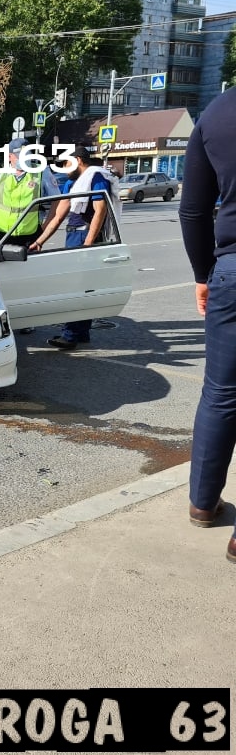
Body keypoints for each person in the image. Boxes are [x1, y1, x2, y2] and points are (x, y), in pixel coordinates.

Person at [178, 87, 236, 563]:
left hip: (232, 272)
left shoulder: (219, 111)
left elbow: (193, 209)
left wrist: (204, 275)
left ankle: (202, 502)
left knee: (220, 392)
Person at [28, 144, 118, 350]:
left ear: (78, 160)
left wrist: (87, 245)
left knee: (77, 287)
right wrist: (40, 240)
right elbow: (59, 216)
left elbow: (100, 211)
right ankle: (81, 332)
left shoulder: (95, 178)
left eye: (66, 163)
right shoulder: (72, 183)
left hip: (84, 236)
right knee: (83, 287)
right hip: (73, 235)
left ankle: (70, 336)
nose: (63, 168)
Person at [0, 136, 61, 250]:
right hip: (0, 234)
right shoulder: (0, 174)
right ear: (9, 156)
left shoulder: (42, 172)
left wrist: (43, 232)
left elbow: (58, 202)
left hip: (29, 236)